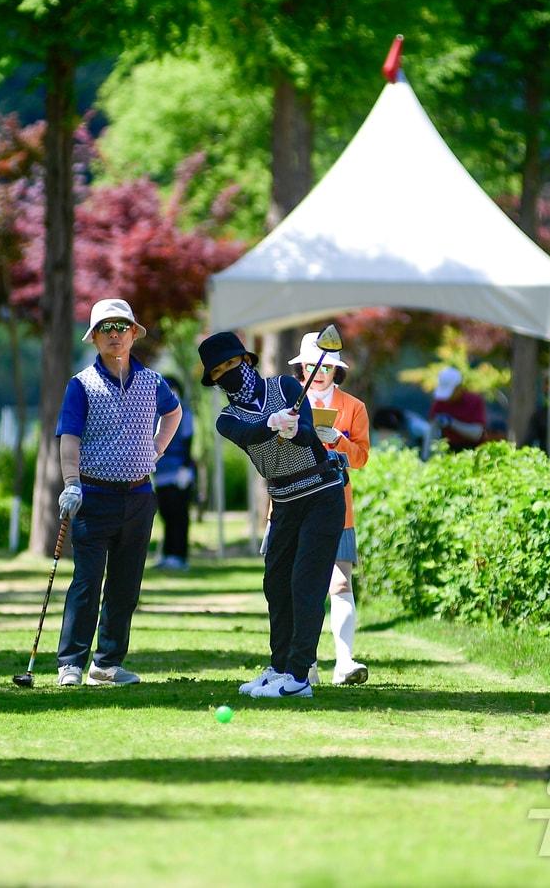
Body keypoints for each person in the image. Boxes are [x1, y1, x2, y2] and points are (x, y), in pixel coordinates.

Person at [199, 331, 346, 700]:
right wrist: (271, 424)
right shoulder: (226, 418)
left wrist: (295, 429)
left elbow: (310, 436)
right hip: (283, 503)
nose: (229, 374)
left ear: (247, 361)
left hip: (321, 496)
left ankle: (298, 677)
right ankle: (279, 667)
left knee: (305, 585)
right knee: (276, 586)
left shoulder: (284, 385)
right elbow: (249, 434)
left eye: (233, 364)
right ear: (214, 380)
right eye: (219, 371)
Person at [54, 299, 182, 687]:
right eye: (106, 328)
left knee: (125, 586)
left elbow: (174, 414)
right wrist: (71, 483)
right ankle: (71, 664)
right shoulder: (81, 384)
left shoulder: (153, 381)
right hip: (94, 495)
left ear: (132, 334)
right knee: (87, 583)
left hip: (139, 496)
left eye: (121, 327)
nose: (114, 334)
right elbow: (69, 438)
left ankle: (106, 664)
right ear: (94, 337)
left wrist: (156, 449)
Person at [288, 332, 370, 686]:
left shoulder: (354, 407)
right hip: (294, 502)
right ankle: (302, 662)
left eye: (327, 367)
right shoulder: (288, 402)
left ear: (337, 370)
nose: (319, 373)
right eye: (312, 366)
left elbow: (361, 457)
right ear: (301, 368)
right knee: (298, 585)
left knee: (340, 582)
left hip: (338, 504)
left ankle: (344, 661)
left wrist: (338, 440)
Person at [152, 375, 195, 571]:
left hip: (179, 471)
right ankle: (168, 554)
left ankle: (180, 556)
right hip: (161, 473)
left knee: (179, 515)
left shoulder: (184, 411)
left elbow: (188, 440)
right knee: (166, 514)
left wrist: (186, 468)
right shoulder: (154, 414)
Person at [428, 366, 486, 452]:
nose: (447, 398)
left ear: (459, 387)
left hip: (473, 450)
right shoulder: (440, 402)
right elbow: (432, 432)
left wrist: (451, 423)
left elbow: (477, 434)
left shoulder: (474, 401)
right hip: (448, 450)